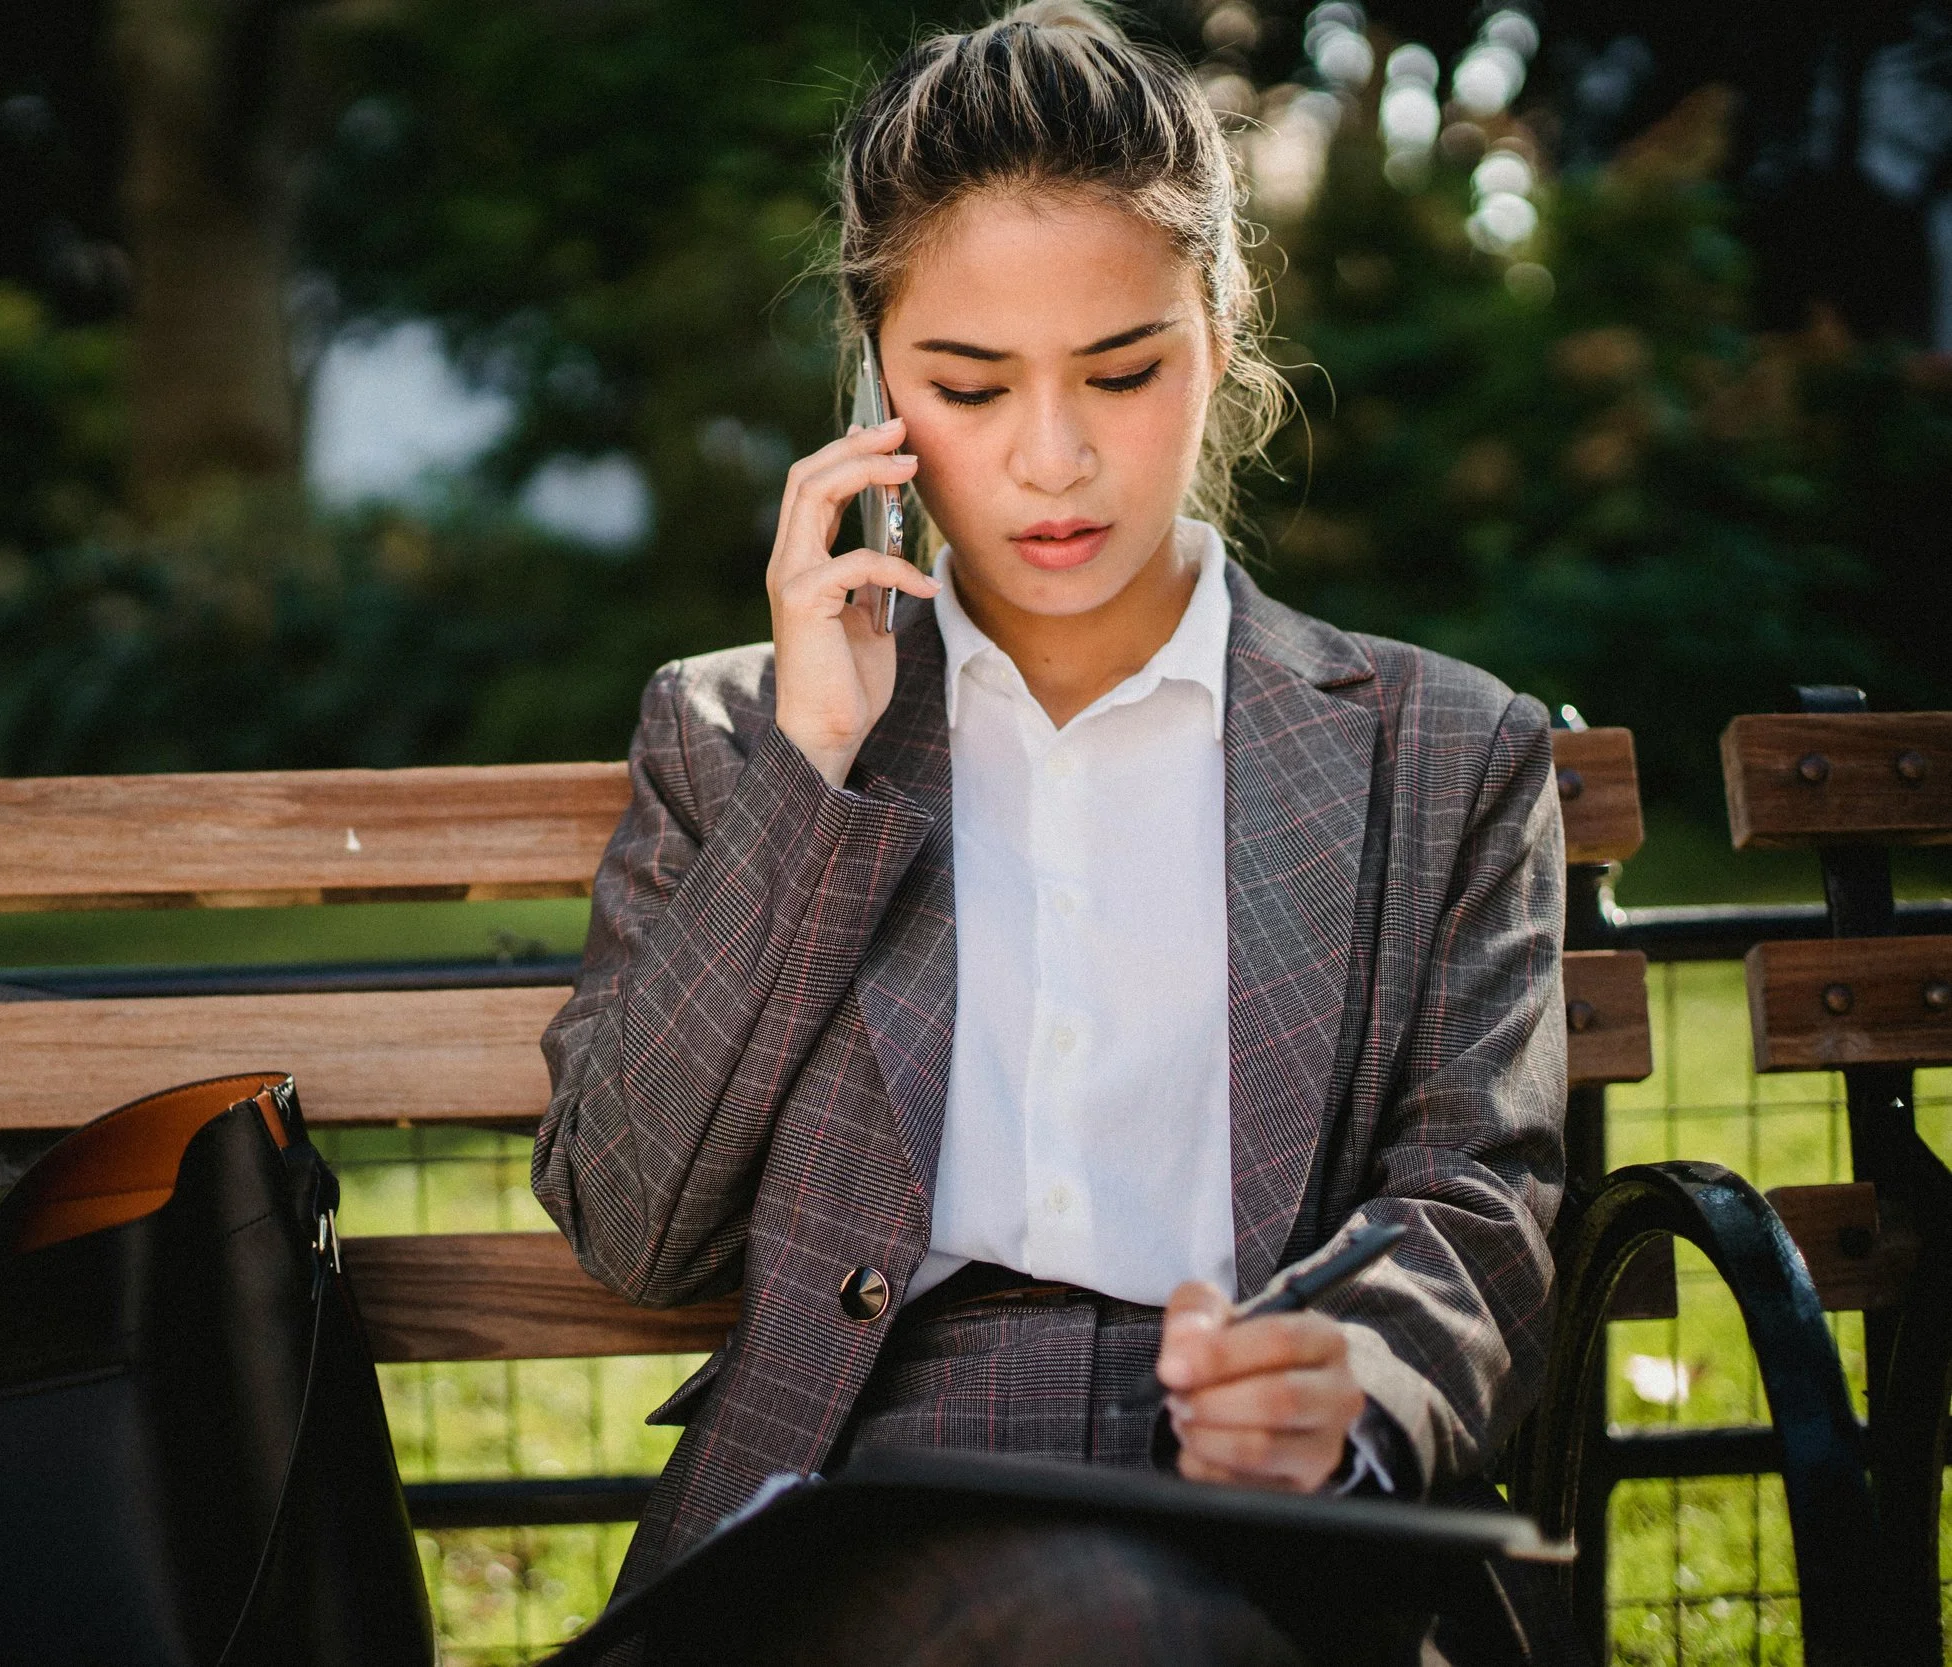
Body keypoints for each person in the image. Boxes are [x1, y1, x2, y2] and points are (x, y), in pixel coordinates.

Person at [534, 0, 1565, 1649]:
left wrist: (1353, 1381)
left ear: (1221, 328)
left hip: (1261, 1506)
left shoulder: (1447, 753)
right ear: (879, 382)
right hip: (860, 1498)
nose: (1054, 456)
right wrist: (816, 765)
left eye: (1123, 368)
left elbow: (1475, 1199)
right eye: (969, 382)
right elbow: (632, 1226)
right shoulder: (742, 736)